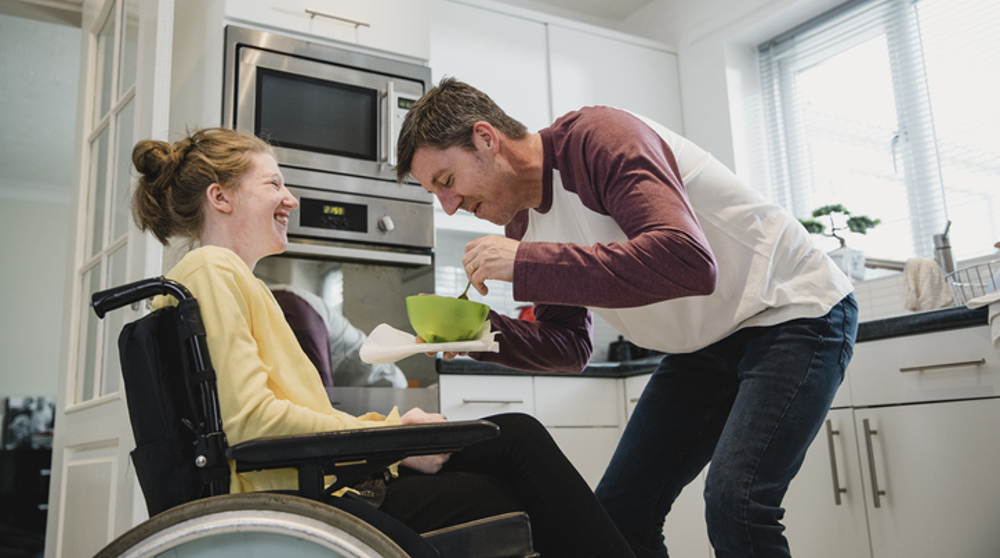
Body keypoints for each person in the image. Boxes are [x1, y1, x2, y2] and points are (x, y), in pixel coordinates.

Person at [394, 78, 859, 558]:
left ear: (486, 139)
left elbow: (687, 261)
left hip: (791, 310)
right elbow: (570, 345)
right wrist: (479, 334)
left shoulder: (599, 139)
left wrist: (528, 263)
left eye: (446, 182)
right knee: (622, 512)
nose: (449, 205)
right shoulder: (522, 224)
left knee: (736, 503)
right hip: (703, 346)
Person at [130, 127, 635, 558]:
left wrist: (394, 442)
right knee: (515, 454)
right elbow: (253, 425)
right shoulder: (212, 270)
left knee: (515, 439)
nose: (291, 199)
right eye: (274, 184)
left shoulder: (235, 281)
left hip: (314, 479)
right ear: (220, 197)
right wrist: (391, 436)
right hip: (300, 498)